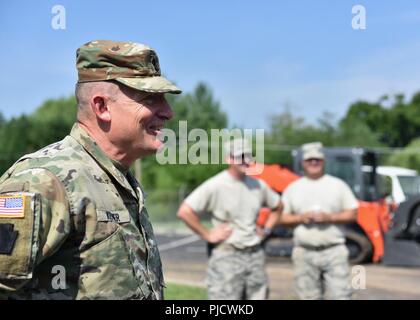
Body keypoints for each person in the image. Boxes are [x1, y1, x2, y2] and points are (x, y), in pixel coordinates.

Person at [0, 40, 181, 300]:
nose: (168, 112)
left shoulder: (118, 179)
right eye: (151, 98)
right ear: (102, 107)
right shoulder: (45, 180)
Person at [177, 138, 282, 300]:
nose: (246, 161)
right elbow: (185, 211)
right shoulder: (216, 185)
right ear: (229, 159)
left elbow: (278, 207)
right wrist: (208, 234)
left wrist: (266, 229)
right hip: (227, 256)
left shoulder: (258, 185)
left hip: (255, 255)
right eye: (240, 157)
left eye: (249, 156)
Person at [279, 142, 358, 300]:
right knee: (308, 297)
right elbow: (281, 218)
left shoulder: (338, 185)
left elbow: (353, 214)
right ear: (303, 163)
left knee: (341, 295)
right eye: (309, 160)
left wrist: (330, 217)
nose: (313, 163)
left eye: (317, 159)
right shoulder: (293, 188)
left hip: (334, 250)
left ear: (323, 161)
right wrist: (301, 218)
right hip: (304, 251)